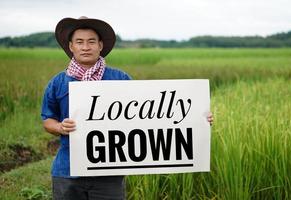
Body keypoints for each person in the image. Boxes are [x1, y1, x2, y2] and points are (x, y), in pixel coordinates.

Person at [41, 16, 214, 200]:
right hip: (67, 171)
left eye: (91, 41)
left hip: (108, 173)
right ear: (71, 47)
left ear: (100, 45)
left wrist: (197, 119)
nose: (85, 47)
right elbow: (47, 119)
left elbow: (150, 115)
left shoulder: (119, 79)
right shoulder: (58, 83)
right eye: (79, 42)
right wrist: (60, 127)